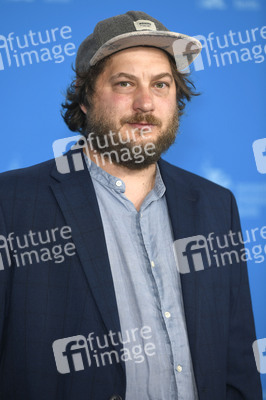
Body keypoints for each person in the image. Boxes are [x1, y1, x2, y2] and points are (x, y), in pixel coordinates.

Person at [0, 10, 262, 400]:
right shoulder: (13, 201)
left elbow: (238, 362)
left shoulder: (215, 205)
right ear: (86, 99)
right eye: (125, 83)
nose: (145, 103)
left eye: (161, 84)